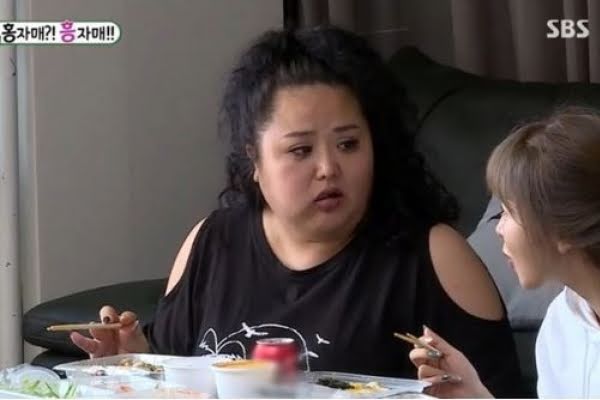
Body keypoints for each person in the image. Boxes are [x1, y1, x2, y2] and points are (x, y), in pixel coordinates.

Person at [70, 26, 522, 396]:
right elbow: (176, 383)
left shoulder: (435, 256)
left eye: (349, 144)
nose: (328, 168)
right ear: (254, 161)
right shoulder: (212, 241)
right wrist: (133, 360)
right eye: (300, 150)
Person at [409, 108, 600, 398]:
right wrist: (476, 394)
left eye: (509, 211)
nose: (498, 229)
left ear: (563, 229)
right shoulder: (562, 321)